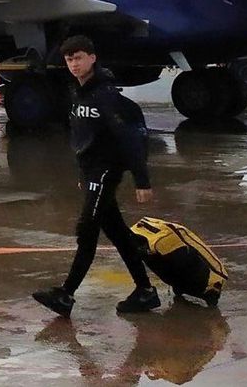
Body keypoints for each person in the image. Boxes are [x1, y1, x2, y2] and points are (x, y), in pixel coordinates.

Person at [32, 35, 159, 318]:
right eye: (69, 59)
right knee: (117, 233)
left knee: (87, 230)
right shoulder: (79, 93)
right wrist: (83, 172)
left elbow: (128, 139)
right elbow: (84, 138)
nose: (74, 64)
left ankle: (66, 294)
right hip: (92, 172)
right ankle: (146, 291)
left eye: (78, 58)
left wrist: (142, 180)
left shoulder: (105, 96)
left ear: (92, 57)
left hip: (106, 171)